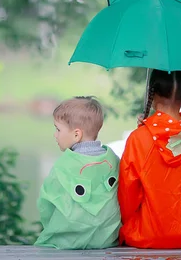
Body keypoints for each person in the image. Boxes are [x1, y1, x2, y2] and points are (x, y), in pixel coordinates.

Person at [117, 69, 181, 249]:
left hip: (149, 235)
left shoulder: (139, 138)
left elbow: (127, 197)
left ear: (152, 94)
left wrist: (147, 131)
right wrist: (151, 129)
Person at [34, 96, 121, 249]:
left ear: (76, 135)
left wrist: (52, 227)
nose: (55, 135)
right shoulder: (113, 161)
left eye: (58, 129)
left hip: (68, 241)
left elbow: (46, 204)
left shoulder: (64, 166)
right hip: (107, 240)